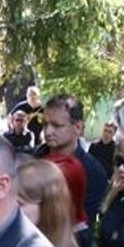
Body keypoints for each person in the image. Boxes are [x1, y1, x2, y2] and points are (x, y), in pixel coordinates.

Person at [36, 93, 109, 234]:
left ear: (78, 127)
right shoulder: (32, 160)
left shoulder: (93, 173)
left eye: (56, 125)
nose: (48, 131)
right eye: (45, 124)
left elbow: (82, 227)